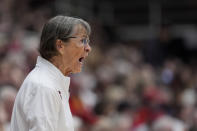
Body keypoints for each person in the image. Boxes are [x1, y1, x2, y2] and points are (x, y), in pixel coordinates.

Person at [10, 15, 92, 131]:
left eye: (87, 41)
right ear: (60, 45)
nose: (88, 48)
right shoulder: (43, 86)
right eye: (82, 41)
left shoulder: (50, 82)